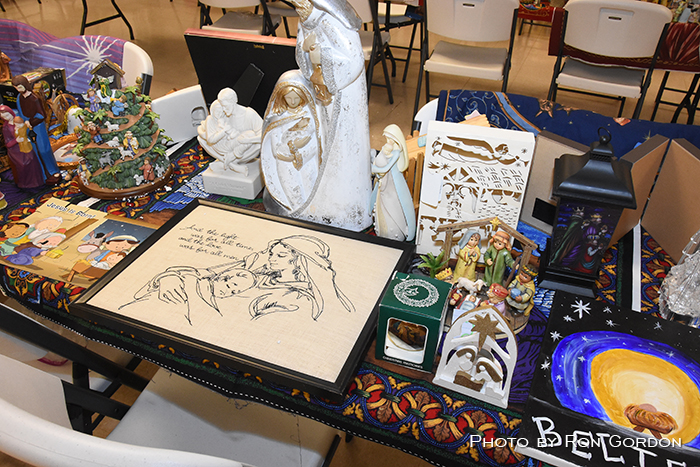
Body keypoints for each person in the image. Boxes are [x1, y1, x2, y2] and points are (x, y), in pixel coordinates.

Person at [284, 0, 372, 231]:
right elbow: (302, 53)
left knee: (344, 147)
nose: (299, 8)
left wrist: (319, 54)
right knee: (324, 141)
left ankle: (346, 206)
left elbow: (353, 59)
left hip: (344, 94)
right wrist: (307, 52)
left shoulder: (331, 21)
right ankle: (326, 199)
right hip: (322, 91)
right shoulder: (306, 21)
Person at [261, 70, 323, 213]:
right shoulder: (277, 119)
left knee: (310, 192)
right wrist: (292, 148)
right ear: (282, 97)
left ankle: (309, 214)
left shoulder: (310, 116)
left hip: (307, 163)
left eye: (296, 98)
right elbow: (276, 150)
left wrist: (302, 153)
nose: (293, 102)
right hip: (286, 165)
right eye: (289, 98)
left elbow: (316, 143)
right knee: (293, 194)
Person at [122, 265, 257, 325]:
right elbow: (140, 294)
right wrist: (168, 276)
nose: (227, 293)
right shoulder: (194, 279)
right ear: (221, 277)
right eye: (228, 286)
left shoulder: (210, 297)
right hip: (142, 313)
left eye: (233, 292)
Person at [197, 87, 263, 176]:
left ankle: (228, 161)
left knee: (253, 138)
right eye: (222, 106)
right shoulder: (225, 116)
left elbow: (264, 135)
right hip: (229, 145)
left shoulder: (249, 114)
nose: (223, 110)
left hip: (245, 147)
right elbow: (206, 127)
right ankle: (230, 162)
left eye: (225, 106)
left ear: (233, 101)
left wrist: (248, 140)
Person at [370, 124, 416, 242]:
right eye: (387, 138)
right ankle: (382, 231)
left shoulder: (396, 153)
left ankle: (397, 232)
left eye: (391, 138)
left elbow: (386, 168)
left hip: (392, 182)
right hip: (383, 183)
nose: (388, 141)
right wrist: (376, 169)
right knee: (380, 205)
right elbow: (377, 163)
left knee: (395, 205)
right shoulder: (384, 149)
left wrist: (375, 169)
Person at [11, 75, 61, 185]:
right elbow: (20, 112)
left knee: (44, 150)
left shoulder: (35, 99)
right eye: (16, 87)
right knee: (34, 151)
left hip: (38, 126)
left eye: (19, 87)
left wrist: (31, 122)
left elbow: (42, 115)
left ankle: (53, 171)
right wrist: (23, 123)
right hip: (26, 125)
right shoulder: (19, 98)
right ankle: (42, 174)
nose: (18, 90)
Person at [0, 105, 44, 189]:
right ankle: (26, 183)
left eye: (7, 114)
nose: (6, 117)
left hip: (25, 145)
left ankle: (37, 181)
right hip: (15, 150)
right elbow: (7, 143)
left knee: (32, 159)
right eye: (3, 116)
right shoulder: (6, 128)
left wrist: (28, 125)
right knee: (23, 164)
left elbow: (27, 129)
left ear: (11, 113)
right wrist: (16, 140)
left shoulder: (19, 120)